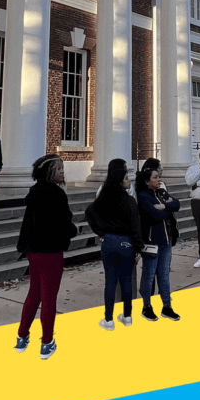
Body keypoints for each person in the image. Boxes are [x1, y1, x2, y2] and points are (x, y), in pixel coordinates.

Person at [15, 154, 77, 360]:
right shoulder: (57, 195)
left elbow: (28, 224)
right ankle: (47, 342)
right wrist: (72, 231)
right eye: (59, 169)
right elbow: (63, 223)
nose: (62, 172)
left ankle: (22, 336)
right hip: (51, 251)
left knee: (34, 293)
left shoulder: (34, 193)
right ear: (50, 173)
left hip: (34, 250)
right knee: (49, 297)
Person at [85, 159, 143, 330]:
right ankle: (127, 316)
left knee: (110, 281)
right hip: (126, 242)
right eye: (126, 178)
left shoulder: (104, 198)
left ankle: (108, 319)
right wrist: (139, 247)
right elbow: (136, 226)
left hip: (109, 241)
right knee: (126, 281)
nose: (129, 181)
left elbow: (90, 212)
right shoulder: (130, 201)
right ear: (120, 181)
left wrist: (101, 232)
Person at [136, 167, 181, 321]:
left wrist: (166, 206)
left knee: (164, 275)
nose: (159, 179)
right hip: (152, 242)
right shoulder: (143, 196)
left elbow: (177, 204)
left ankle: (167, 307)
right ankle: (146, 307)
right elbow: (155, 215)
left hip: (166, 242)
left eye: (158, 176)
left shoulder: (161, 193)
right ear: (148, 181)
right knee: (148, 276)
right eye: (155, 177)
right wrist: (167, 208)